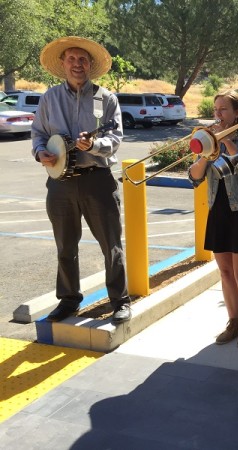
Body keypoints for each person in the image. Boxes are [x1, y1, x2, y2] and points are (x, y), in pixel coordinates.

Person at [32, 36, 131, 324]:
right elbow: (38, 133)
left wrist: (94, 147)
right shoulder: (50, 98)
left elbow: (114, 138)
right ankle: (68, 300)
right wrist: (41, 153)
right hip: (59, 183)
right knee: (65, 246)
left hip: (97, 179)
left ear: (90, 65)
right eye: (72, 59)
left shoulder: (106, 98)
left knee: (111, 244)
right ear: (63, 64)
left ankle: (120, 300)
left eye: (82, 59)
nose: (77, 64)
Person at [188, 90, 238, 348]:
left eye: (223, 109)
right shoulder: (209, 140)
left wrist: (226, 142)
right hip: (220, 211)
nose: (218, 115)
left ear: (237, 112)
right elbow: (194, 177)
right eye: (215, 110)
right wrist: (206, 151)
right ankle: (233, 321)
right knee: (225, 272)